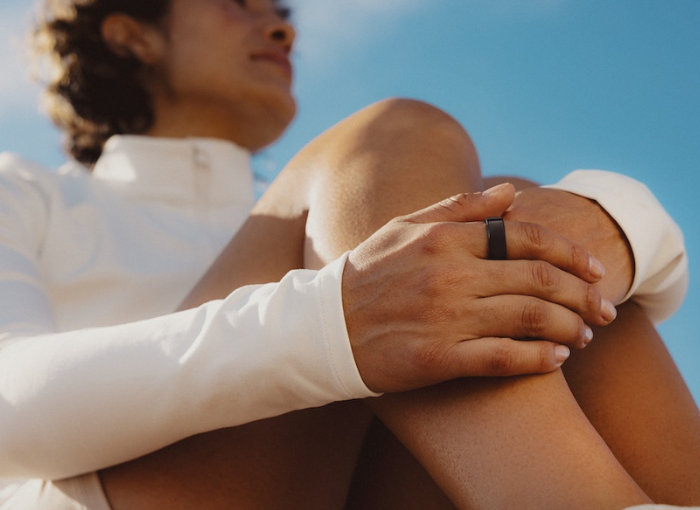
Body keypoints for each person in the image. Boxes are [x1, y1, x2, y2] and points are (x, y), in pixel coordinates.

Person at [0, 0, 696, 509]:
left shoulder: (331, 211)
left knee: (497, 220)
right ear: (129, 35)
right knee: (395, 139)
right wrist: (331, 320)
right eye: (238, 5)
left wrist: (620, 221)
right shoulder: (26, 189)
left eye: (279, 11)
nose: (281, 27)